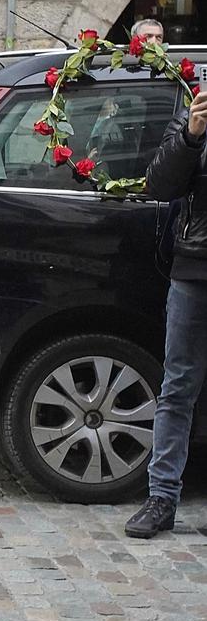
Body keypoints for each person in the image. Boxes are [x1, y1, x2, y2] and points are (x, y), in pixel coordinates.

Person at [124, 80, 207, 537]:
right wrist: (193, 135)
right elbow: (160, 184)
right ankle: (162, 499)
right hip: (195, 269)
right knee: (178, 388)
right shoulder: (194, 114)